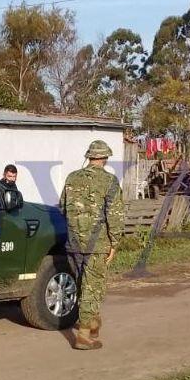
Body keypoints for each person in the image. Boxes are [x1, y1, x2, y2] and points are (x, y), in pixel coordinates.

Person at [59, 140, 124, 350]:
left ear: (89, 157)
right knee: (92, 288)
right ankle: (83, 336)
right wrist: (115, 242)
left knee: (82, 285)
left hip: (73, 243)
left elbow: (62, 208)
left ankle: (93, 323)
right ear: (105, 158)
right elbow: (115, 215)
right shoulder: (109, 181)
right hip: (97, 245)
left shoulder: (71, 178)